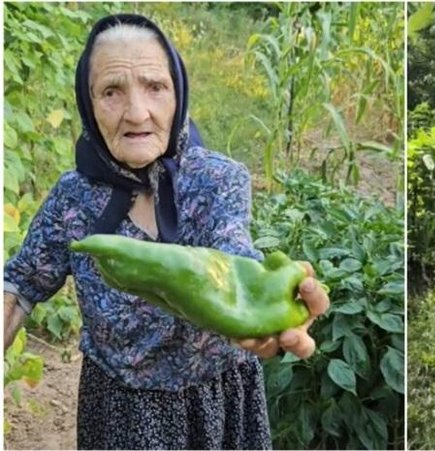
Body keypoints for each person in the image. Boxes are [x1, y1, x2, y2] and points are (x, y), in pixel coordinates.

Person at [3, 14, 329, 450]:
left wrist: (273, 313)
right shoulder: (73, 199)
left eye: (155, 86)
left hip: (218, 401)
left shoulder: (218, 179)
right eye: (112, 91)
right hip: (120, 409)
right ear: (88, 102)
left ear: (178, 93)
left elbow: (233, 256)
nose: (137, 113)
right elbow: (20, 283)